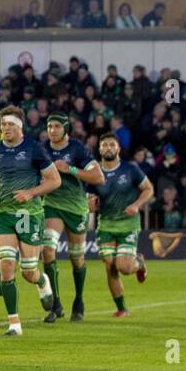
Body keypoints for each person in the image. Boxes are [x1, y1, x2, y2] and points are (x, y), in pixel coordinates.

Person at [0, 106, 62, 336]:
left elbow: (55, 180)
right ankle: (14, 323)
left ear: (20, 128)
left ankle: (42, 281)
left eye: (11, 125)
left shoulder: (34, 148)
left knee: (28, 271)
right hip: (3, 214)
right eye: (4, 124)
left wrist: (31, 192)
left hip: (29, 214)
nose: (6, 128)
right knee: (6, 266)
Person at [39, 114, 105, 323]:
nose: (52, 130)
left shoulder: (77, 149)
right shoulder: (42, 149)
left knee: (77, 258)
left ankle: (79, 300)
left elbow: (98, 177)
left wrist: (71, 169)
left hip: (76, 208)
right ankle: (56, 302)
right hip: (51, 205)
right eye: (49, 126)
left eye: (57, 126)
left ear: (65, 129)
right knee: (48, 249)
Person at [90, 133, 154, 317]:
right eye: (104, 145)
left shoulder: (130, 169)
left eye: (112, 145)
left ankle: (138, 263)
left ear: (118, 149)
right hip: (106, 226)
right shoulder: (94, 172)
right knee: (110, 266)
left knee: (124, 267)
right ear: (100, 149)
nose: (108, 148)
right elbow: (88, 200)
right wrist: (90, 205)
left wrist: (136, 205)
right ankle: (121, 308)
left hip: (128, 225)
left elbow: (148, 189)